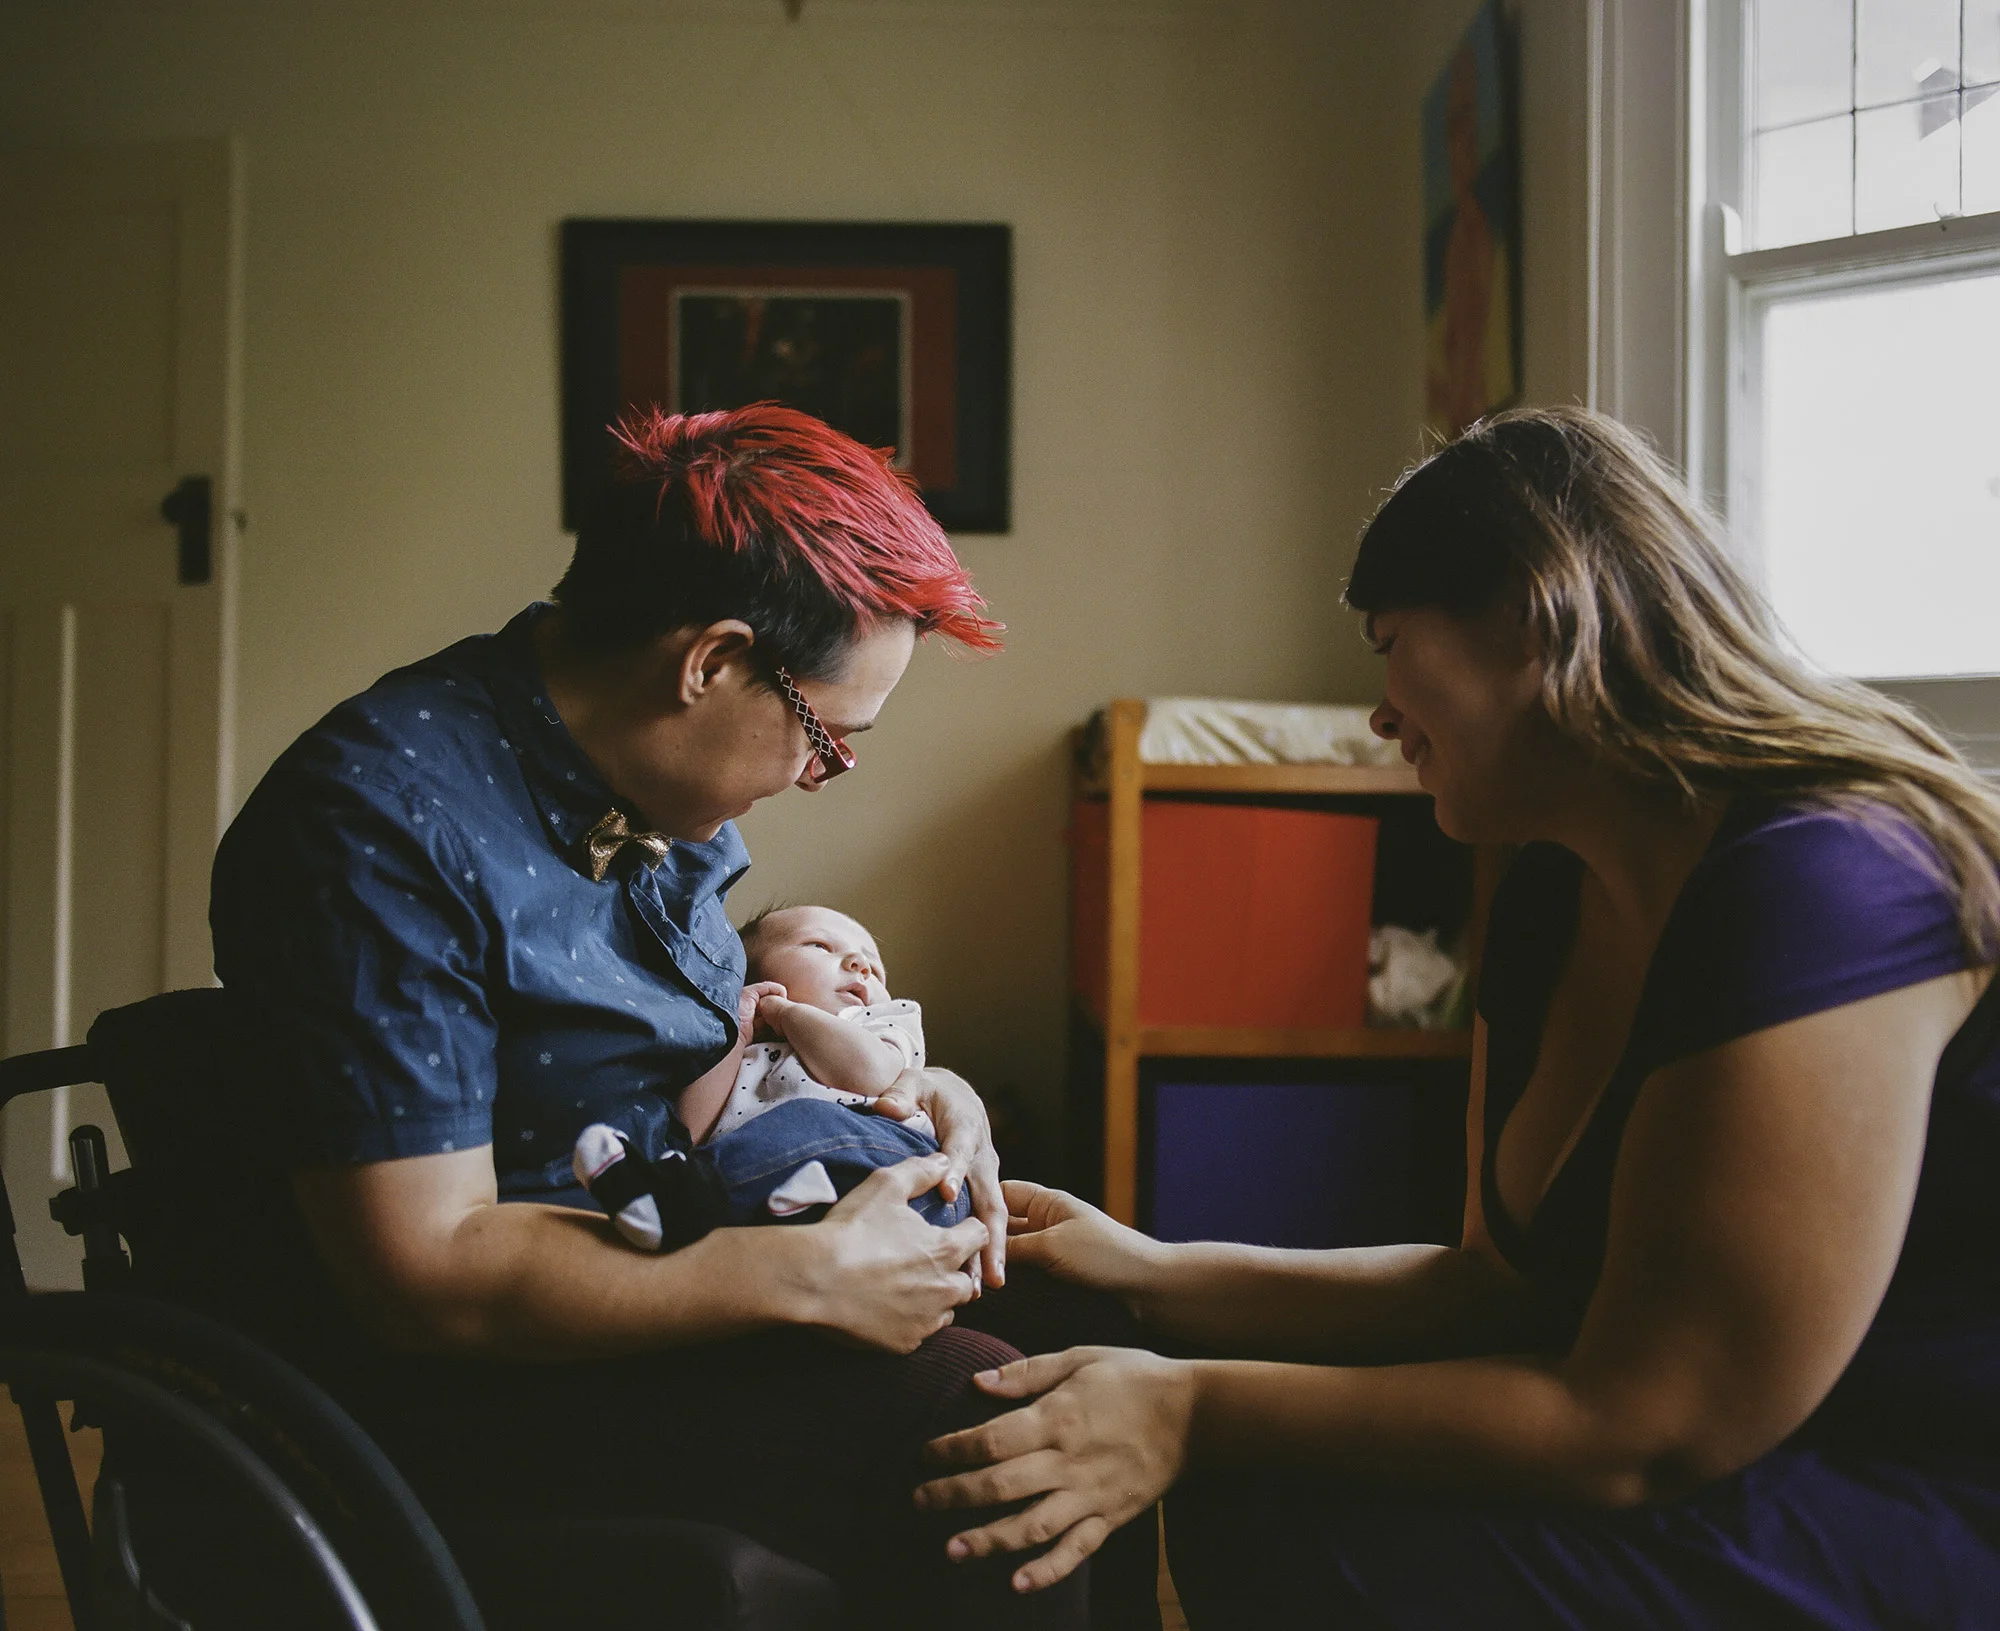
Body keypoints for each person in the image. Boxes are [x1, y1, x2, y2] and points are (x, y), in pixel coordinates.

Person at [912, 405, 2000, 1625]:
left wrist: (1188, 1401)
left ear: (1536, 619)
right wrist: (1155, 1273)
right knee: (1231, 1473)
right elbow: (1490, 1287)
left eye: (1389, 644)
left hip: (1902, 1490)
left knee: (1298, 1517)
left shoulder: (1829, 875)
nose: (1377, 711)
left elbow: (1653, 1421)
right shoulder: (1545, 893)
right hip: (1690, 1443)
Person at [211, 404, 1157, 1627]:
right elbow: (424, 1270)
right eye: (829, 735)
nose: (826, 773)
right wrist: (799, 1278)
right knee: (1006, 1429)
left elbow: (712, 1047)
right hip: (469, 1384)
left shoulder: (654, 784)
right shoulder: (380, 825)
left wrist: (924, 1095)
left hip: (687, 1241)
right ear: (708, 662)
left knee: (1104, 1345)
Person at [574, 904, 965, 1251]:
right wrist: (738, 1033)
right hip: (789, 1216)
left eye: (874, 966)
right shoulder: (749, 1051)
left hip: (897, 1164)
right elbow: (694, 1131)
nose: (859, 965)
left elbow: (873, 1075)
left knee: (807, 1119)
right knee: (717, 1166)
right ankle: (745, 1210)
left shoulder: (880, 1023)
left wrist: (785, 1013)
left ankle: (672, 1204)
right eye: (819, 946)